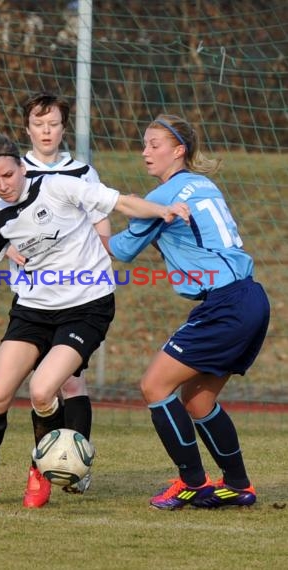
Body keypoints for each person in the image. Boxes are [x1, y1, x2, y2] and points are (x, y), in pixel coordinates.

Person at [0, 133, 190, 507]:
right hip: (32, 310)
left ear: (22, 167)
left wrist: (161, 211)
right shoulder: (0, 220)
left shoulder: (60, 187)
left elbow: (118, 202)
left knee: (42, 389)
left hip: (87, 306)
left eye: (8, 175)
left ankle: (40, 471)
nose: (2, 185)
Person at [102, 114, 270, 510]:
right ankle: (238, 485)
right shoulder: (203, 184)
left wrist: (89, 218)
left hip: (226, 304)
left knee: (154, 386)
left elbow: (121, 251)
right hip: (249, 299)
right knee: (196, 401)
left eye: (155, 144)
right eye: (144, 143)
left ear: (179, 150)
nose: (145, 152)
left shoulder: (163, 197)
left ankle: (192, 483)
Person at [0, 92, 112, 506]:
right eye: (39, 124)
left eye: (53, 123)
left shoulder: (81, 172)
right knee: (24, 388)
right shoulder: (10, 171)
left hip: (76, 297)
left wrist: (93, 261)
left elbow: (102, 225)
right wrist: (4, 249)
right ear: (28, 129)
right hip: (32, 299)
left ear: (63, 127)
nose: (47, 131)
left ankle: (73, 464)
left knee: (68, 380)